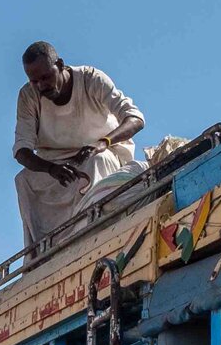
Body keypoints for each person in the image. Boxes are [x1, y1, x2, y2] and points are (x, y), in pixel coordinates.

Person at [11, 41, 144, 254]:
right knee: (24, 180)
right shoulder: (28, 96)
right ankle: (42, 254)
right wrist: (51, 169)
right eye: (34, 81)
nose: (41, 86)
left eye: (46, 77)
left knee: (96, 162)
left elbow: (135, 119)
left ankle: (94, 232)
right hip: (56, 164)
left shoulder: (91, 79)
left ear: (61, 65)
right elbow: (21, 151)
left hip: (104, 152)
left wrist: (102, 143)